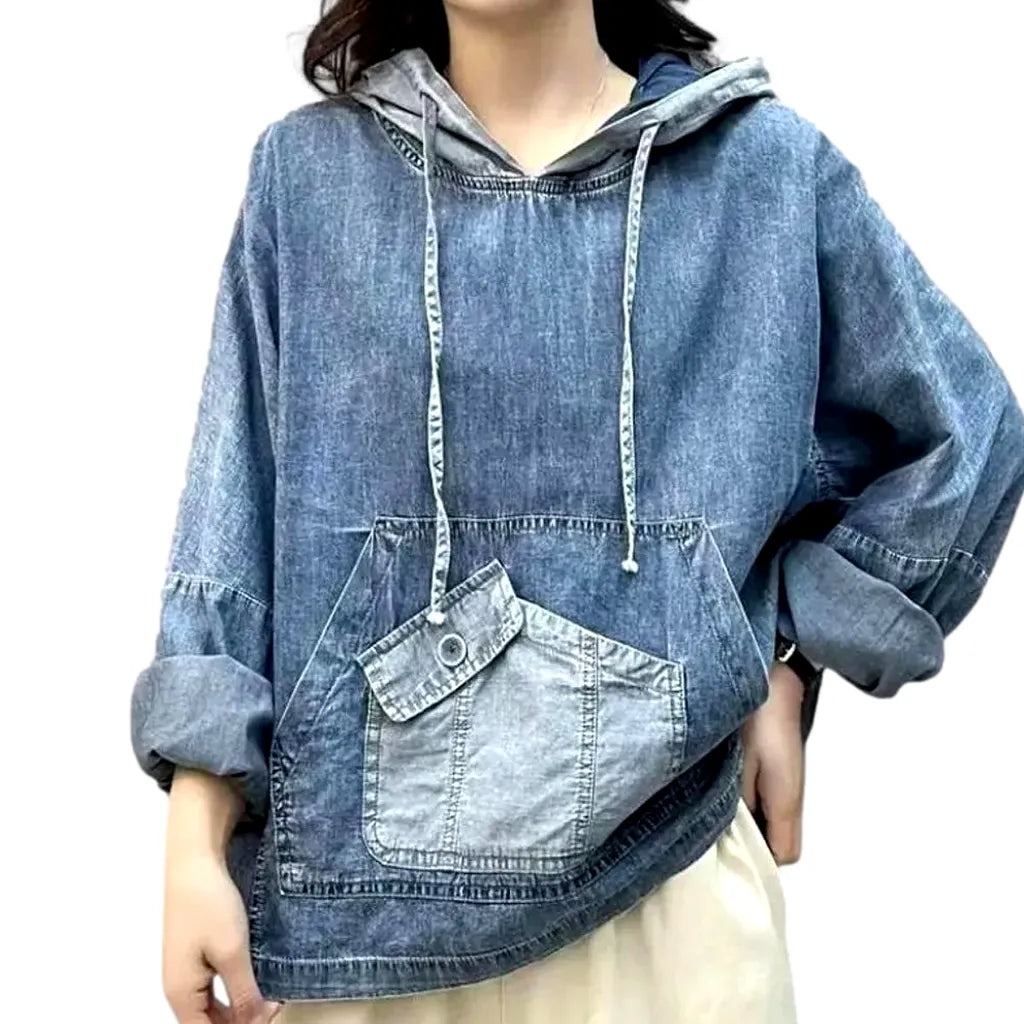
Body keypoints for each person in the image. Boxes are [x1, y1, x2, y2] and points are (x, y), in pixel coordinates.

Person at [129, 1, 1024, 1022]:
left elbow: (966, 435)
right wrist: (194, 832)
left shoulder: (766, 173)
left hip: (671, 900)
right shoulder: (306, 181)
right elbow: (234, 516)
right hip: (363, 933)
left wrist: (791, 655)